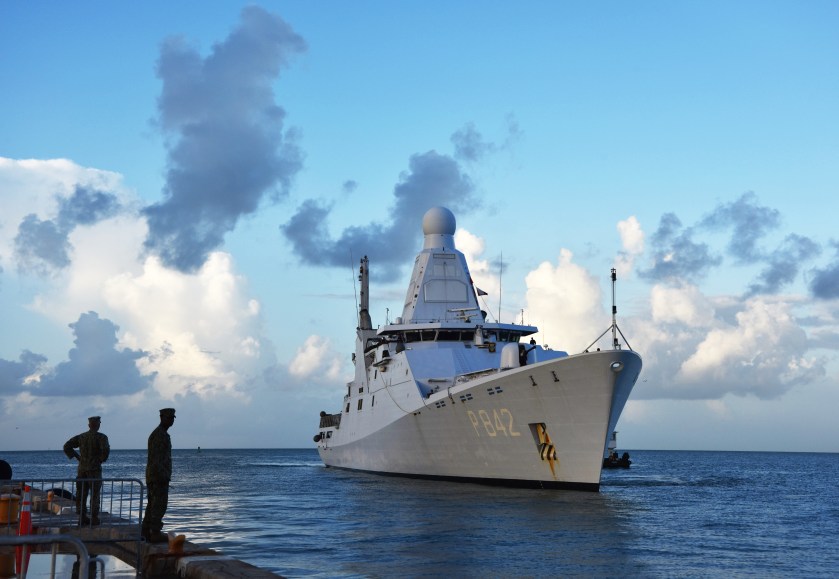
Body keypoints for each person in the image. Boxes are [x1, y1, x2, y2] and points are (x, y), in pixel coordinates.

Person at [63, 416, 110, 525]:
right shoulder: (102, 437)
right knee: (95, 494)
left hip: (82, 469)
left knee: (81, 494)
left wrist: (76, 456)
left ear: (89, 425)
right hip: (95, 470)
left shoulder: (82, 437)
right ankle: (94, 517)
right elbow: (106, 451)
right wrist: (100, 459)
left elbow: (67, 446)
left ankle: (81, 517)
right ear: (98, 425)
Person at [142, 408, 175, 542]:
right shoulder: (160, 435)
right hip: (158, 476)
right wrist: (162, 476)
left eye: (173, 418)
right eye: (169, 417)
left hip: (155, 475)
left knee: (152, 504)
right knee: (159, 504)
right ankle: (155, 532)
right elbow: (157, 459)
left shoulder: (159, 434)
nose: (171, 420)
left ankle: (145, 531)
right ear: (162, 417)